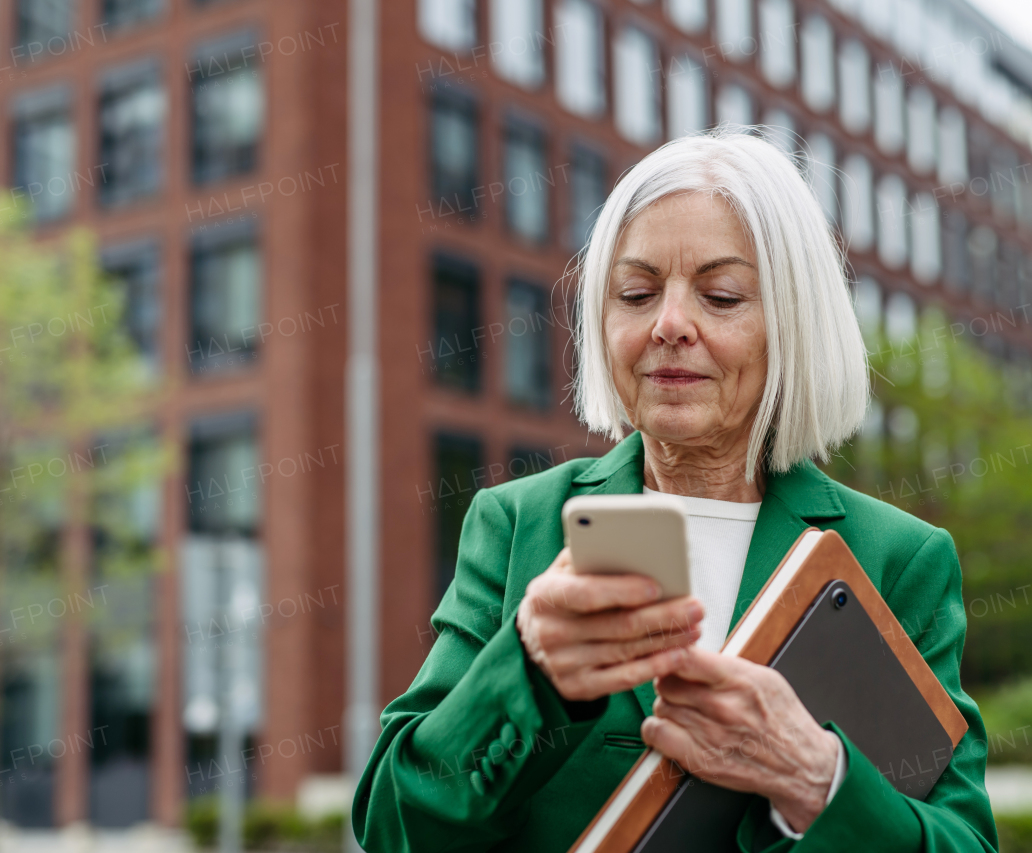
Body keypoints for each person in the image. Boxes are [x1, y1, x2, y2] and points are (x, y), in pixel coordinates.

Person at [353, 127, 998, 853]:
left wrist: (819, 781)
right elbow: (394, 825)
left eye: (720, 296)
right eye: (636, 292)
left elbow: (964, 841)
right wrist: (526, 672)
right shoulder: (518, 524)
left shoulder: (896, 558)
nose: (668, 324)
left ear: (791, 325)